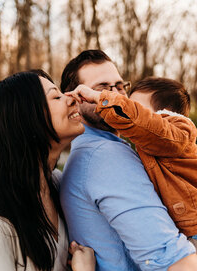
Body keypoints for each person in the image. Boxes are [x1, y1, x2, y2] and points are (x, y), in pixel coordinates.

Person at [60, 49, 197, 271]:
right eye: (101, 88)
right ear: (77, 98)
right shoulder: (106, 156)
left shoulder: (90, 153)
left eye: (119, 86)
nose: (114, 95)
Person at [0, 70, 95, 271]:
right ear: (26, 118)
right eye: (56, 96)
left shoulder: (61, 186)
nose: (72, 97)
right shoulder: (1, 222)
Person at [65, 77, 197, 242]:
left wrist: (99, 98)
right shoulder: (153, 143)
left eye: (137, 108)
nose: (128, 111)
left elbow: (145, 123)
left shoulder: (178, 132)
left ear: (161, 113)